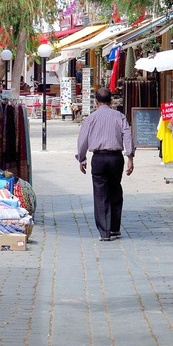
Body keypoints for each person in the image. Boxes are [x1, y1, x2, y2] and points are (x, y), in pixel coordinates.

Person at [76, 87, 135, 241]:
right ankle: (115, 228)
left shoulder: (91, 118)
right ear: (111, 101)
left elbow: (82, 140)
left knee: (100, 194)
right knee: (115, 189)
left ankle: (105, 232)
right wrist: (130, 157)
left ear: (96, 102)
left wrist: (82, 159)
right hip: (116, 158)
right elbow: (127, 136)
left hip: (99, 159)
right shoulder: (120, 116)